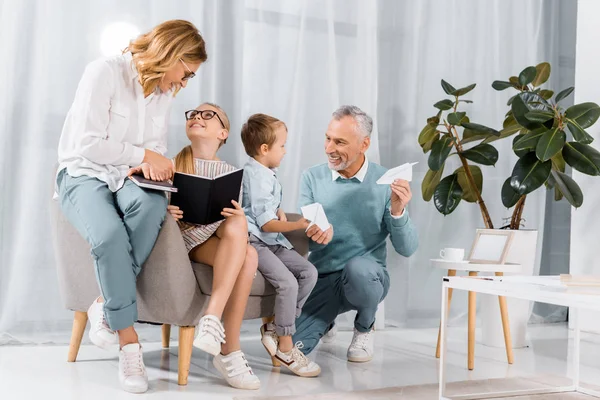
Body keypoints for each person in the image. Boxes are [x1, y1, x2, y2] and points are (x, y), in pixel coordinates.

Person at [55, 20, 206, 393]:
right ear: (170, 53)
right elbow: (88, 144)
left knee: (152, 208)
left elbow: (153, 147)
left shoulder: (163, 93)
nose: (184, 84)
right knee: (107, 235)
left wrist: (151, 168)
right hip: (83, 172)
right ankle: (128, 341)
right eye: (185, 73)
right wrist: (144, 154)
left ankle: (105, 304)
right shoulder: (104, 73)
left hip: (128, 174)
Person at [292, 105, 419, 363]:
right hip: (323, 278)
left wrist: (397, 211)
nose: (329, 148)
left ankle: (364, 326)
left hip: (366, 277)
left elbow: (407, 248)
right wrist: (309, 231)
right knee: (293, 350)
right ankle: (325, 320)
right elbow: (302, 234)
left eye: (339, 142)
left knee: (359, 270)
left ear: (364, 144)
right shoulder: (312, 177)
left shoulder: (385, 181)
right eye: (328, 138)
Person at [167, 103, 260, 390]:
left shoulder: (231, 174)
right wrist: (167, 213)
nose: (197, 117)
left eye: (208, 115)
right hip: (185, 242)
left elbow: (233, 227)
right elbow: (150, 212)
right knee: (246, 251)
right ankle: (227, 347)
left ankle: (214, 325)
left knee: (245, 244)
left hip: (217, 240)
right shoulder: (171, 165)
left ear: (223, 133)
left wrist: (237, 216)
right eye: (193, 113)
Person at [240, 114, 320, 377]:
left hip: (272, 242)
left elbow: (263, 208)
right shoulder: (257, 175)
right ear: (265, 149)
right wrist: (298, 224)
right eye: (282, 145)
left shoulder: (265, 173)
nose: (285, 151)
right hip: (258, 243)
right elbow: (264, 225)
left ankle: (276, 328)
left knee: (309, 272)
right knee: (288, 283)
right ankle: (285, 346)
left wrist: (280, 211)